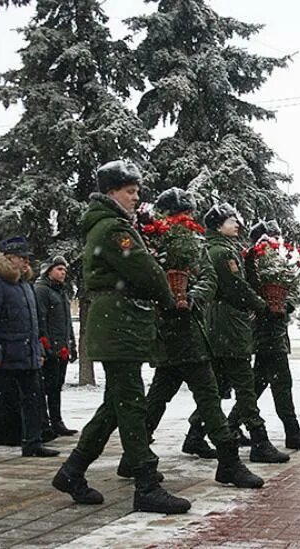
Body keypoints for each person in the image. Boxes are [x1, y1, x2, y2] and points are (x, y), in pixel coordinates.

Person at [52, 160, 191, 515]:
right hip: (119, 323)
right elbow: (145, 271)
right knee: (130, 403)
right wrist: (169, 298)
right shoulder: (114, 229)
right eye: (130, 191)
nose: (136, 197)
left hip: (119, 322)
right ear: (111, 192)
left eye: (136, 190)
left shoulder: (112, 225)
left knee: (116, 404)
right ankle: (146, 484)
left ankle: (72, 471)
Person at [117, 187, 263, 489]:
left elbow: (208, 278)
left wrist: (192, 296)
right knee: (205, 394)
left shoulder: (195, 243)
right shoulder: (150, 238)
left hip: (189, 324)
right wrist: (165, 296)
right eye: (181, 212)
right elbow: (140, 275)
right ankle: (229, 462)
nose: (187, 218)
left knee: (161, 395)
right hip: (171, 328)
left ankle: (133, 457)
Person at [204, 203, 290, 463]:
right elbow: (237, 288)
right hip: (230, 324)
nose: (237, 224)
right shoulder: (222, 253)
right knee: (244, 384)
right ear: (219, 225)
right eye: (231, 221)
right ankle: (256, 442)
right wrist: (263, 306)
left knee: (221, 384)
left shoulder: (228, 250)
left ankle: (198, 435)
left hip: (229, 324)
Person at [227, 220, 300, 450]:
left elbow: (287, 291)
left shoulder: (274, 262)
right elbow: (250, 292)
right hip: (265, 331)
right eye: (273, 236)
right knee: (281, 382)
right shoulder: (252, 259)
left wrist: (285, 304)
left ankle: (230, 425)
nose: (277, 240)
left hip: (274, 330)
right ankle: (292, 431)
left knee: (258, 383)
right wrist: (266, 307)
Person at [0, 236, 59, 459]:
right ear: (9, 258)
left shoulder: (24, 285)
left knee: (32, 398)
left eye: (27, 257)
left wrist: (38, 350)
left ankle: (32, 442)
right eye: (22, 257)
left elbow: (33, 323)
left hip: (27, 354)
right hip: (6, 355)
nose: (26, 261)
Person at [35, 255, 78, 437]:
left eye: (64, 270)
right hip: (50, 347)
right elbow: (40, 319)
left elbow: (67, 322)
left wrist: (72, 344)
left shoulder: (61, 291)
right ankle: (44, 423)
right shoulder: (42, 290)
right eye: (59, 269)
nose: (63, 273)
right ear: (49, 270)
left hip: (62, 348)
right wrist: (44, 343)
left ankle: (56, 421)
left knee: (56, 387)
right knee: (46, 387)